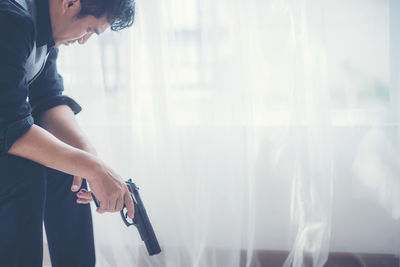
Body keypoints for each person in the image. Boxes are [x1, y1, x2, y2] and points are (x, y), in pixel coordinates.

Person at [0, 0, 135, 265]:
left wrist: (87, 157)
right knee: (23, 173)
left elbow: (47, 99)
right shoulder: (10, 21)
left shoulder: (44, 29)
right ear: (70, 3)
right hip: (6, 129)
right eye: (88, 29)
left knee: (68, 166)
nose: (84, 41)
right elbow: (10, 126)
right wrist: (93, 168)